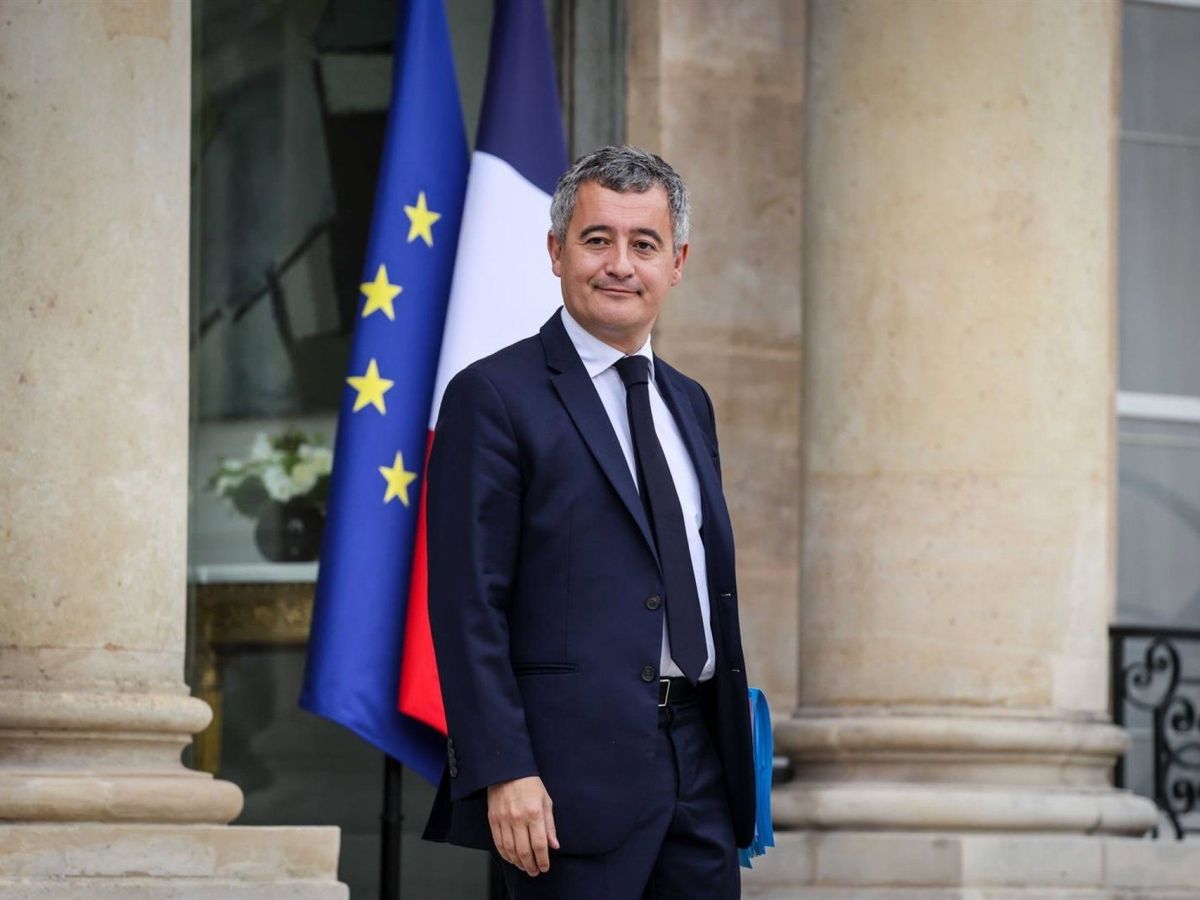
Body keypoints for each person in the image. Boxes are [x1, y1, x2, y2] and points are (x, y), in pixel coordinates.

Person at [422, 145, 755, 899]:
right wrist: (504, 768)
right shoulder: (493, 396)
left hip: (700, 767)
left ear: (678, 263)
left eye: (645, 244)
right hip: (563, 785)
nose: (620, 265)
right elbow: (469, 604)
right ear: (556, 251)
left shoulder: (690, 401)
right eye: (597, 239)